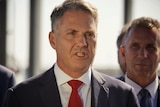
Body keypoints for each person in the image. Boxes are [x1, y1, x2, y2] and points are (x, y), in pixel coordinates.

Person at [4, 0, 139, 107]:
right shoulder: (21, 97)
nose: (82, 43)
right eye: (72, 33)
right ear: (53, 40)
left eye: (89, 34)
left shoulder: (123, 96)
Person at [119, 17, 160, 107]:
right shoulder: (103, 95)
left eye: (150, 47)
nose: (142, 55)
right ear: (123, 52)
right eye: (135, 46)